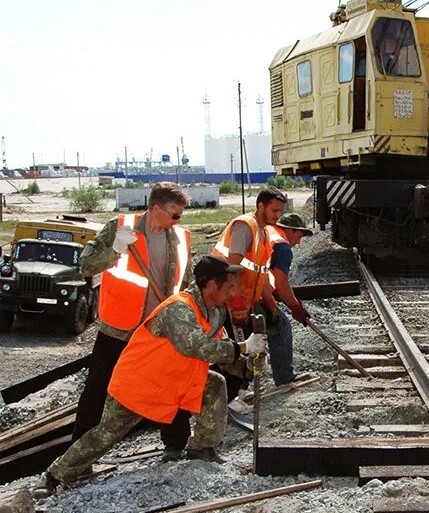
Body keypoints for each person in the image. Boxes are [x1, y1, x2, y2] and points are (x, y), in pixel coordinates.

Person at [34, 256, 266, 495]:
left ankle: (202, 448)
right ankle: (54, 475)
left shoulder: (213, 313)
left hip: (171, 379)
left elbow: (220, 348)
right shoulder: (179, 309)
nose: (234, 292)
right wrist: (244, 347)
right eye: (229, 286)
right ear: (211, 285)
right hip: (139, 382)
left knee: (214, 383)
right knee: (107, 434)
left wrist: (246, 366)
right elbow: (196, 346)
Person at [73, 182, 193, 460]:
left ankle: (175, 445)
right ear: (155, 209)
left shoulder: (180, 238)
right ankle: (78, 455)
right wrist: (115, 249)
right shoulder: (121, 227)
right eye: (175, 214)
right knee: (98, 389)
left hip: (158, 327)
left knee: (169, 384)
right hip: (119, 326)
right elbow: (86, 266)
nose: (179, 220)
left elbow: (186, 284)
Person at [212, 186, 286, 395]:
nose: (277, 216)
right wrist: (236, 303)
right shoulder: (245, 227)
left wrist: (270, 304)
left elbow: (259, 272)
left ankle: (239, 392)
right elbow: (231, 268)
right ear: (261, 206)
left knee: (245, 346)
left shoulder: (262, 232)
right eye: (274, 210)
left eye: (281, 211)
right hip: (228, 300)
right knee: (236, 348)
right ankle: (230, 395)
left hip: (245, 301)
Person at [263, 213, 313, 386]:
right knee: (279, 327)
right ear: (289, 230)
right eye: (298, 236)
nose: (298, 242)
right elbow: (282, 284)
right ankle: (284, 378)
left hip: (247, 290)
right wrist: (296, 307)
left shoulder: (268, 234)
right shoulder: (283, 247)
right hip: (252, 294)